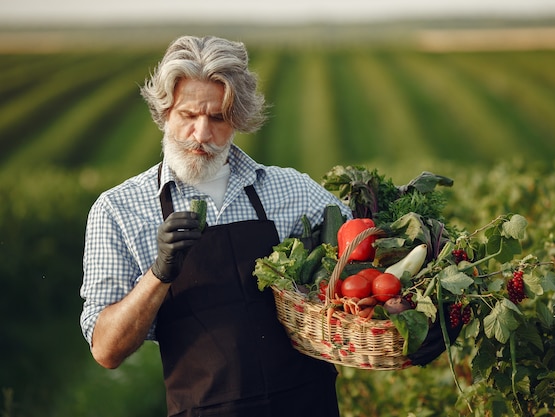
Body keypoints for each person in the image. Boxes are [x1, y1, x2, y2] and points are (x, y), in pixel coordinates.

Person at [79, 35, 352, 417]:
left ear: (237, 119)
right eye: (188, 116)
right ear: (165, 113)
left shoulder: (291, 190)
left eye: (218, 118)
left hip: (306, 403)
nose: (202, 134)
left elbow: (364, 249)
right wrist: (158, 273)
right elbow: (106, 350)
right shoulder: (119, 210)